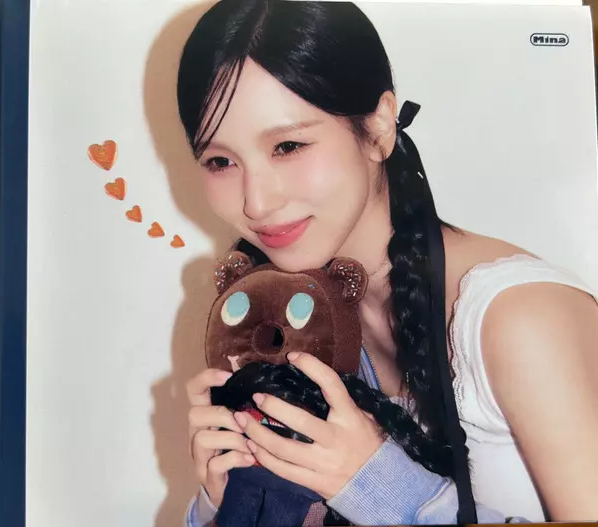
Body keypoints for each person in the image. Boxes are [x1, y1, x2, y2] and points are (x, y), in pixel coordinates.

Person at [175, 0, 598, 525]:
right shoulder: (295, 323)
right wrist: (224, 501)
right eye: (220, 160)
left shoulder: (522, 319)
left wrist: (380, 487)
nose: (256, 202)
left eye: (288, 146)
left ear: (377, 127)